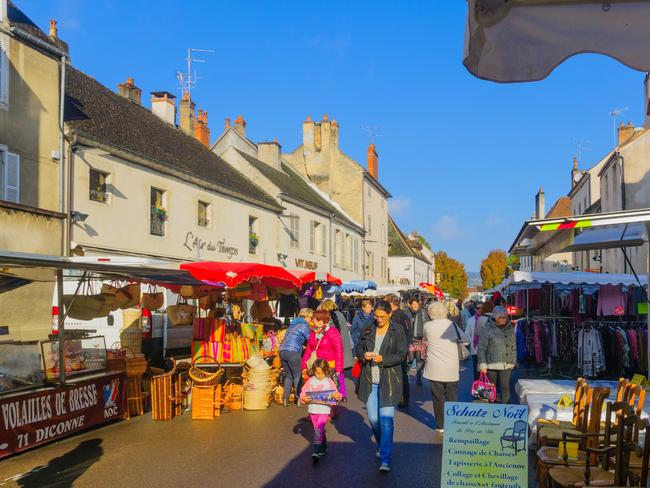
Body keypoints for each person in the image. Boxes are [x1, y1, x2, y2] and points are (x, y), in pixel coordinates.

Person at [356, 300, 408, 473]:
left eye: (383, 316)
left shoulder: (397, 330)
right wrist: (364, 354)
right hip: (370, 380)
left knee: (386, 420)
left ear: (389, 314)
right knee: (373, 419)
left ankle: (385, 458)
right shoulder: (368, 328)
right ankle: (381, 445)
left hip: (389, 381)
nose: (379, 319)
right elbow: (358, 348)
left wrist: (383, 359)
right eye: (376, 316)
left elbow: (402, 354)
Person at [423, 301, 470, 432]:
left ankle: (440, 425)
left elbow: (426, 339)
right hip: (451, 366)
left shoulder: (427, 326)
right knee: (452, 396)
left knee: (438, 398)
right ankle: (452, 422)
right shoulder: (451, 325)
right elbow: (466, 340)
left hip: (434, 366)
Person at [300, 358, 342, 463]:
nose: (319, 375)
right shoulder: (311, 381)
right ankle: (324, 446)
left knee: (319, 429)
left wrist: (338, 396)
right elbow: (303, 392)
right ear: (314, 371)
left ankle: (316, 451)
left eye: (322, 373)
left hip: (324, 409)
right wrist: (303, 398)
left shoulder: (329, 381)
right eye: (317, 373)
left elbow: (337, 393)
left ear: (326, 371)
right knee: (318, 430)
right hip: (313, 409)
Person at [477, 306, 516, 404]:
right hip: (491, 363)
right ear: (495, 317)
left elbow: (513, 346)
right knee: (491, 388)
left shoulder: (510, 328)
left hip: (506, 363)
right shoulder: (487, 328)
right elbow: (481, 348)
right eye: (501, 317)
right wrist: (482, 363)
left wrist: (514, 361)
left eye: (505, 317)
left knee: (505, 387)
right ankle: (492, 409)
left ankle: (505, 409)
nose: (504, 319)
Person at [302, 310, 344, 396]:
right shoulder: (313, 332)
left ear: (322, 320)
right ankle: (317, 407)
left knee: (328, 391)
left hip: (328, 366)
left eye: (315, 319)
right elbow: (308, 350)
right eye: (313, 319)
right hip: (316, 366)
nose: (313, 321)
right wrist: (304, 366)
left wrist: (339, 369)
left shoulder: (332, 331)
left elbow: (339, 350)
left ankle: (329, 408)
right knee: (316, 390)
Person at [318, 299, 353, 399]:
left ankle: (334, 393)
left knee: (331, 373)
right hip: (344, 346)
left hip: (335, 348)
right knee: (340, 372)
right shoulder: (340, 314)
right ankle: (343, 393)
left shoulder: (330, 317)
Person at [278, 308, 313, 407]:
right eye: (310, 317)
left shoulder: (293, 324)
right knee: (297, 376)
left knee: (289, 376)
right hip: (293, 352)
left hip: (282, 351)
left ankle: (285, 399)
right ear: (306, 316)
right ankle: (298, 399)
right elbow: (310, 339)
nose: (311, 320)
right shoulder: (304, 325)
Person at [385, 295, 412, 408]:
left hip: (396, 350)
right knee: (401, 374)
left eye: (386, 303)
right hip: (402, 348)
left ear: (392, 304)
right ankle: (402, 398)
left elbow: (395, 334)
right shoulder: (404, 314)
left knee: (399, 374)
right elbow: (409, 332)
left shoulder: (396, 316)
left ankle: (401, 398)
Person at [406, 297, 427, 386]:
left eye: (416, 304)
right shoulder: (406, 312)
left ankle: (419, 379)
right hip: (410, 338)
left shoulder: (422, 312)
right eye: (413, 304)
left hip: (419, 338)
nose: (415, 305)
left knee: (419, 360)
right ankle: (407, 377)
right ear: (410, 305)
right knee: (410, 360)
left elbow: (426, 323)